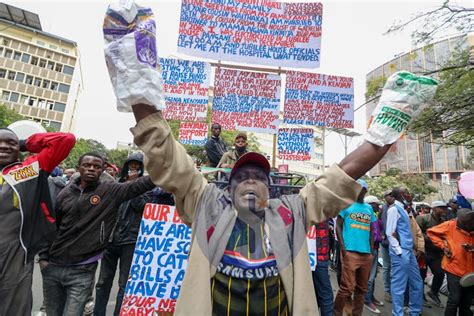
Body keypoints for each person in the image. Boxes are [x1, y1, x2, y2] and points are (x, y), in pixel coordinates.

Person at [126, 103, 392, 315]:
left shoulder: (293, 212)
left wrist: (384, 135)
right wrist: (136, 79)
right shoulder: (207, 204)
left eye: (259, 177)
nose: (250, 180)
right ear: (228, 190)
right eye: (241, 177)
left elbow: (340, 177)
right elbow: (166, 153)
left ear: (270, 190)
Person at [39, 152, 155, 316]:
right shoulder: (64, 194)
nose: (91, 169)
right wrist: (44, 258)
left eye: (96, 166)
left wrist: (166, 165)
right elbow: (50, 226)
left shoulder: (111, 190)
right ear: (79, 168)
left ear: (103, 170)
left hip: (83, 269)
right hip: (54, 267)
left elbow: (142, 185)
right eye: (87, 165)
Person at [0, 128, 75, 315]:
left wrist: (24, 143)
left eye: (10, 143)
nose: (3, 146)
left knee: (13, 304)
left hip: (15, 250)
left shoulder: (26, 170)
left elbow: (66, 140)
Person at [94, 152, 154, 316]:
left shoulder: (148, 189)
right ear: (126, 167)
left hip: (130, 241)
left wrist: (134, 186)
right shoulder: (115, 185)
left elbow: (142, 207)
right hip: (110, 240)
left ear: (142, 169)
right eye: (130, 166)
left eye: (137, 166)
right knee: (103, 282)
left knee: (124, 284)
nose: (133, 169)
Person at [333, 179, 376, 316]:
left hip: (366, 254)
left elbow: (370, 230)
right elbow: (338, 226)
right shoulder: (346, 205)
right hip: (350, 252)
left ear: (365, 191)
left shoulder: (369, 209)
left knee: (362, 288)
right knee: (347, 288)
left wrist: (371, 250)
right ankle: (336, 312)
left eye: (361, 189)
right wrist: (343, 248)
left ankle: (357, 313)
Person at [427, 208, 473, 316]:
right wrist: (444, 246)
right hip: (454, 267)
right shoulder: (450, 225)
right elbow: (431, 233)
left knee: (466, 302)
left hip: (471, 272)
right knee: (454, 299)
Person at [386, 188, 424, 316]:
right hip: (401, 252)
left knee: (417, 283)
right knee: (399, 285)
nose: (409, 195)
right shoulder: (394, 209)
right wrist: (399, 251)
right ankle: (397, 313)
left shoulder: (404, 209)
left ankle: (415, 311)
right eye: (407, 193)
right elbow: (390, 233)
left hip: (409, 251)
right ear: (401, 195)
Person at [416, 200, 448, 307]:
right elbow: (417, 233)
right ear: (434, 209)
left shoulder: (444, 221)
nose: (444, 210)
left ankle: (433, 292)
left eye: (444, 208)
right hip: (424, 251)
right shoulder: (423, 218)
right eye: (441, 208)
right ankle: (420, 297)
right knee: (421, 275)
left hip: (436, 252)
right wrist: (431, 238)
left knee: (440, 273)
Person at [363, 195, 385, 314]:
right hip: (370, 249)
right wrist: (380, 237)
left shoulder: (375, 216)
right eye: (376, 204)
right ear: (371, 204)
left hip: (375, 249)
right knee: (369, 277)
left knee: (373, 276)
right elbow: (374, 236)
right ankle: (367, 300)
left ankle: (370, 297)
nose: (379, 206)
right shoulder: (367, 216)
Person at [311, 220, 333, 316]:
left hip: (314, 255)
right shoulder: (318, 209)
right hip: (318, 255)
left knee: (316, 293)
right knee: (326, 295)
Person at [379, 190, 394, 303]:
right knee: (386, 266)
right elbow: (379, 222)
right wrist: (381, 235)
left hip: (395, 243)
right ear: (385, 197)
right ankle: (387, 290)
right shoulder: (382, 208)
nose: (391, 197)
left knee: (395, 267)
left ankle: (393, 289)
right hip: (385, 243)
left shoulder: (396, 207)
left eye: (392, 195)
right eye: (389, 196)